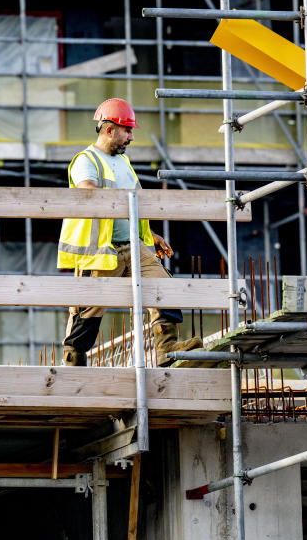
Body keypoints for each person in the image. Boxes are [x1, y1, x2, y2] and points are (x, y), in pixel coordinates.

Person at [58, 98, 201, 366]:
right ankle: (73, 358)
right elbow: (88, 192)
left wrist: (151, 235)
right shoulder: (86, 160)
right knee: (89, 308)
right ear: (109, 130)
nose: (131, 137)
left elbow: (132, 204)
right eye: (127, 130)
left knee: (164, 287)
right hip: (103, 248)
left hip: (133, 245)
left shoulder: (123, 163)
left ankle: (166, 349)